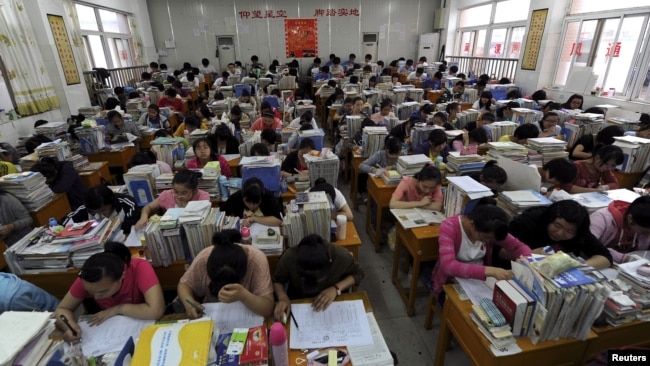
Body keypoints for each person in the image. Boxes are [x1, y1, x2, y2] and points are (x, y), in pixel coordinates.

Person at [54, 242, 164, 342]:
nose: (96, 297)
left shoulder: (139, 267)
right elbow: (62, 309)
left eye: (103, 292)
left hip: (142, 328)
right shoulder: (88, 279)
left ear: (122, 276)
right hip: (109, 334)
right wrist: (70, 327)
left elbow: (156, 311)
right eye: (90, 292)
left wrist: (118, 309)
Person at [431, 203, 533, 298]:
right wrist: (489, 270)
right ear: (472, 224)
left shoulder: (490, 229)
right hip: (451, 281)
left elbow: (518, 247)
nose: (488, 241)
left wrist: (525, 259)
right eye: (485, 237)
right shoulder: (449, 227)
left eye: (491, 239)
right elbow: (448, 266)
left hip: (481, 281)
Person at [178, 230, 274, 318]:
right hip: (213, 316)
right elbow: (184, 285)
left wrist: (244, 296)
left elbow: (268, 308)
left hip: (248, 315)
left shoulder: (256, 259)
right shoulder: (205, 257)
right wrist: (189, 303)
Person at [273, 234, 363, 317]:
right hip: (300, 303)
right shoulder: (290, 256)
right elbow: (277, 280)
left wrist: (336, 288)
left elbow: (358, 273)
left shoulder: (340, 256)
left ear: (329, 262)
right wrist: (283, 297)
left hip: (333, 305)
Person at [505, 200, 612, 269]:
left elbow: (605, 257)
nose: (560, 233)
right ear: (549, 219)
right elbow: (501, 252)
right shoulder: (528, 222)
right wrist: (530, 254)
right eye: (557, 225)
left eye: (569, 231)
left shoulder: (579, 229)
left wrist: (576, 267)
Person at [135, 170, 210, 229]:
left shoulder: (202, 197)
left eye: (184, 193)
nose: (179, 196)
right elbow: (148, 207)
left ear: (194, 190)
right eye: (176, 191)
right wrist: (143, 217)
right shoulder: (167, 195)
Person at [590, 196, 650, 264]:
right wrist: (625, 258)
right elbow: (589, 245)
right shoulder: (601, 218)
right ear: (630, 219)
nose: (648, 235)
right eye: (644, 232)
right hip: (599, 261)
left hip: (630, 265)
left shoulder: (644, 223)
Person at [63, 185, 140, 235]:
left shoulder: (126, 203)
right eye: (95, 212)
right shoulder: (87, 208)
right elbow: (67, 220)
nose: (99, 213)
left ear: (111, 201)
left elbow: (132, 223)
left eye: (102, 210)